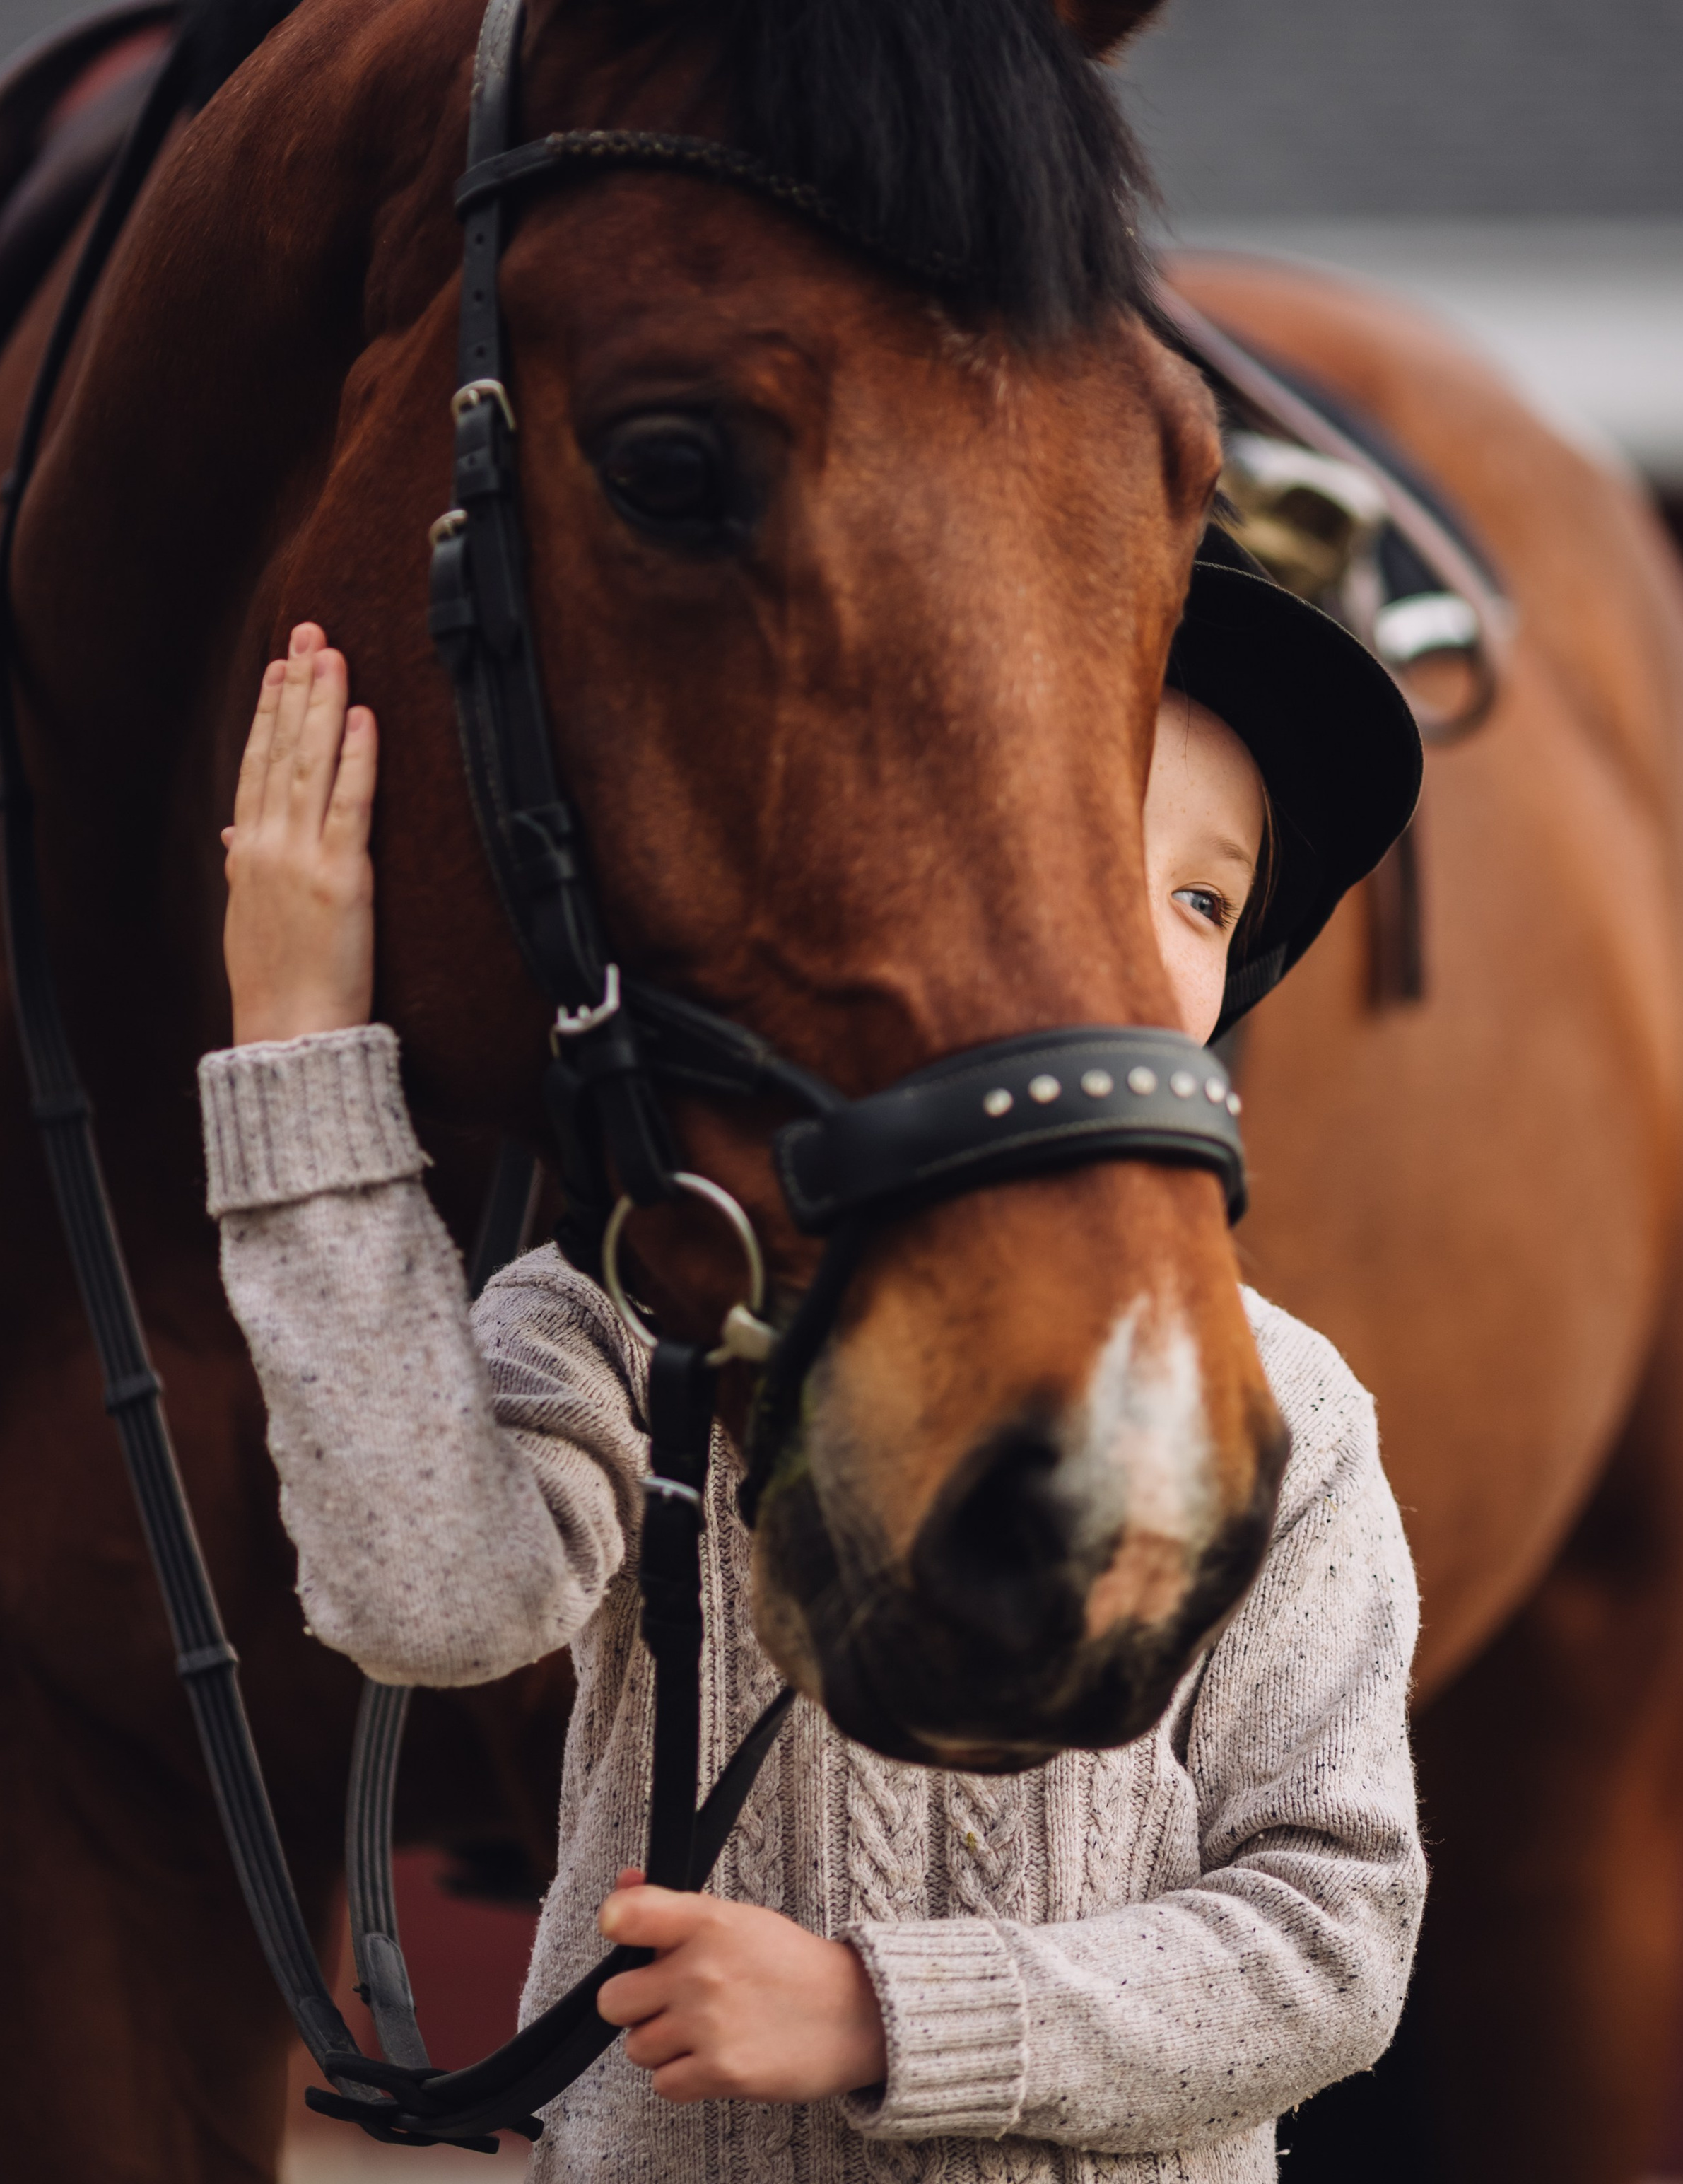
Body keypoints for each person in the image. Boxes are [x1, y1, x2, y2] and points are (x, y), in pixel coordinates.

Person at [202, 530, 1426, 2183]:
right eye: (1062, 847)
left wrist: (878, 2012)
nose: (1135, 943)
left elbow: (1331, 1942)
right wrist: (300, 1062)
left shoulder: (1283, 1412)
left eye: (1201, 896)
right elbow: (429, 1602)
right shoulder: (659, 1307)